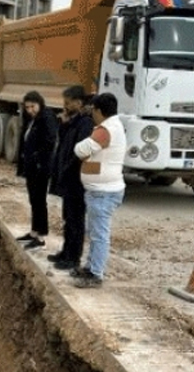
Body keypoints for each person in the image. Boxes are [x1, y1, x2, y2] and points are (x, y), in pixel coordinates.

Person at [72, 92, 126, 288]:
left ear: (99, 111)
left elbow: (80, 150)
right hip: (102, 190)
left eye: (93, 110)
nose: (91, 114)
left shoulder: (105, 130)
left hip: (103, 192)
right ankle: (91, 267)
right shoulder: (113, 126)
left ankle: (95, 274)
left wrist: (85, 154)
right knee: (96, 232)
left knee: (99, 234)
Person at [44, 86, 95, 269]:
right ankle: (66, 252)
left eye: (68, 103)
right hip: (67, 178)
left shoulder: (86, 123)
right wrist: (64, 123)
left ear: (78, 103)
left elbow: (80, 152)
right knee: (68, 218)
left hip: (76, 180)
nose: (64, 106)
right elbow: (64, 140)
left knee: (75, 220)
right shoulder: (73, 121)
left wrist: (66, 168)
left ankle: (73, 258)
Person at [15, 91, 58, 248]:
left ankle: (40, 237)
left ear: (40, 104)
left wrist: (38, 159)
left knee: (39, 201)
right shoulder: (31, 119)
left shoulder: (47, 117)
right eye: (27, 107)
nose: (30, 110)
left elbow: (50, 141)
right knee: (33, 200)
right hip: (32, 167)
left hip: (41, 167)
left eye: (32, 106)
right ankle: (34, 231)